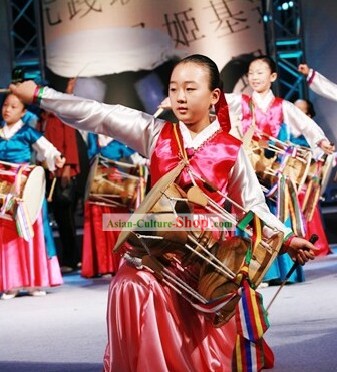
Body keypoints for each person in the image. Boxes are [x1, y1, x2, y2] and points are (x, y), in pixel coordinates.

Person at [10, 54, 317, 371]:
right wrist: (40, 95)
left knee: (178, 291)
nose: (180, 97)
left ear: (214, 96)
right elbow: (98, 114)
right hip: (158, 242)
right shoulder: (156, 133)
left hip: (208, 253)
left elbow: (253, 205)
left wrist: (288, 239)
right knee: (131, 283)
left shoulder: (230, 147)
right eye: (174, 89)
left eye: (190, 88)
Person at [159, 55, 334, 285]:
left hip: (275, 173)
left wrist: (320, 140)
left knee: (277, 217)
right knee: (249, 217)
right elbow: (212, 99)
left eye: (260, 72)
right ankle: (257, 272)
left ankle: (283, 269)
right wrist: (177, 100)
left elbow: (305, 124)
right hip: (250, 168)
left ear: (272, 77)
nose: (254, 77)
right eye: (251, 73)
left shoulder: (283, 106)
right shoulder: (241, 101)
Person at [0, 93, 65, 299]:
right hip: (4, 187)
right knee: (7, 233)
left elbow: (47, 150)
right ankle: (11, 283)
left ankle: (35, 281)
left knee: (32, 229)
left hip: (26, 186)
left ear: (23, 112)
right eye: (5, 105)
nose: (7, 109)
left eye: (13, 106)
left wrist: (56, 158)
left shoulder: (27, 131)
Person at [81, 132, 148, 278]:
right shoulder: (91, 136)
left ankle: (117, 264)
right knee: (97, 225)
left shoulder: (120, 139)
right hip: (96, 184)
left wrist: (148, 162)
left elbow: (136, 160)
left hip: (115, 187)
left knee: (115, 226)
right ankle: (100, 266)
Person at [37, 108, 81, 273]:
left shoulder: (60, 116)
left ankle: (72, 259)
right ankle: (60, 259)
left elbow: (70, 141)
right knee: (55, 216)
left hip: (62, 172)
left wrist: (68, 168)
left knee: (65, 218)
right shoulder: (40, 119)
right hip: (46, 173)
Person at [293, 98, 332, 256]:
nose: (296, 112)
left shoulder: (312, 133)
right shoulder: (285, 129)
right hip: (288, 176)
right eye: (294, 109)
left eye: (301, 109)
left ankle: (316, 244)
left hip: (307, 179)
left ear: (308, 115)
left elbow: (319, 161)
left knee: (305, 196)